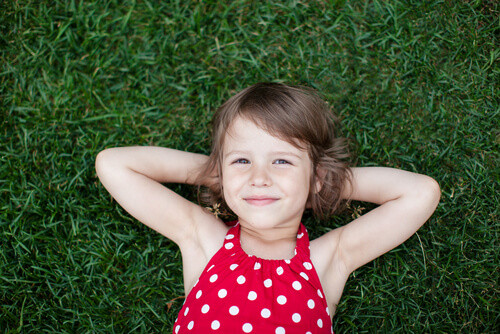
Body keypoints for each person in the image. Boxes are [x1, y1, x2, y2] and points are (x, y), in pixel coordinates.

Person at [95, 83, 441, 333]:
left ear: (315, 177)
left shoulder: (327, 259)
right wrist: (220, 175)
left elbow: (420, 193)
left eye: (281, 161)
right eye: (243, 160)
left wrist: (321, 181)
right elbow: (113, 165)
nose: (259, 177)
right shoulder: (204, 240)